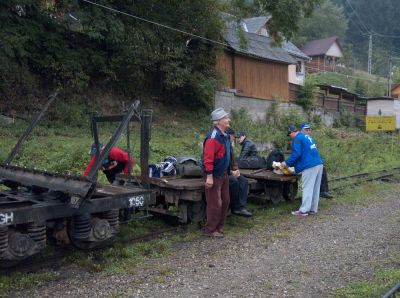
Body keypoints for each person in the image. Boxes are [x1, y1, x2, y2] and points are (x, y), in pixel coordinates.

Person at [281, 125, 323, 217]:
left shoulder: (297, 138)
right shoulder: (307, 137)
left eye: (290, 135)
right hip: (319, 164)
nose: (290, 137)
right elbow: (306, 153)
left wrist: (286, 163)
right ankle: (312, 209)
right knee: (315, 188)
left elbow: (296, 154)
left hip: (310, 166)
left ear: (292, 132)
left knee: (307, 188)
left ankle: (303, 211)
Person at [202, 108, 232, 238]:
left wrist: (233, 168)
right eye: (226, 118)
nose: (228, 120)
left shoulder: (224, 136)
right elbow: (208, 158)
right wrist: (209, 176)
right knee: (215, 202)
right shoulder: (213, 137)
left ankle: (219, 226)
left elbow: (227, 155)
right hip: (213, 174)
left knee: (225, 200)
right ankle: (210, 229)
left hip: (223, 173)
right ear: (219, 121)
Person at [299, 123, 333, 199]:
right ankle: (321, 191)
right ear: (301, 131)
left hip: (310, 162)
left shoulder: (310, 139)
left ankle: (323, 191)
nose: (308, 132)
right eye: (306, 130)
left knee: (322, 168)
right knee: (318, 167)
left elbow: (313, 152)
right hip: (304, 163)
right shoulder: (300, 139)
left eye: (309, 130)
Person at [226, 127, 252, 217]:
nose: (234, 139)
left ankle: (240, 207)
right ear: (229, 136)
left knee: (244, 181)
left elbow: (233, 161)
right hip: (221, 173)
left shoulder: (229, 146)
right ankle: (233, 206)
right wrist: (230, 172)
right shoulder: (223, 145)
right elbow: (219, 164)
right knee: (234, 181)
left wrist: (236, 169)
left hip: (229, 172)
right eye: (233, 137)